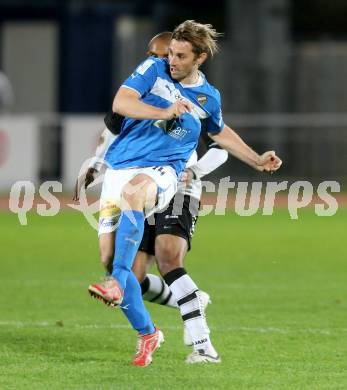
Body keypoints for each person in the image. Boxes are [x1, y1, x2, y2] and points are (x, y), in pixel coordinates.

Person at [87, 20, 282, 366]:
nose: (170, 60)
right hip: (121, 167)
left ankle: (195, 337)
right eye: (170, 54)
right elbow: (121, 102)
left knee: (155, 237)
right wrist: (160, 114)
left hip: (167, 173)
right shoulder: (152, 68)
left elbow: (219, 133)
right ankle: (149, 332)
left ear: (200, 58)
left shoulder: (208, 97)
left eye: (180, 56)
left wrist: (255, 159)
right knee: (110, 258)